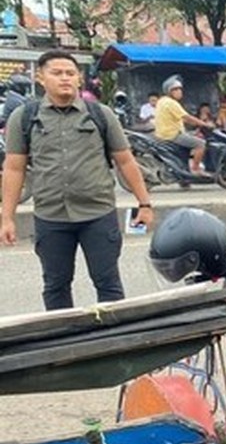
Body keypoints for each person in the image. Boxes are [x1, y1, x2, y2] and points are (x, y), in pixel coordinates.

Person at [0, 50, 154, 309]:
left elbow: (126, 161)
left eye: (70, 73)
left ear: (79, 78)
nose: (65, 78)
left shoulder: (101, 114)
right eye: (57, 73)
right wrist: (7, 218)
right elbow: (14, 169)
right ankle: (64, 335)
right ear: (41, 78)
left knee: (108, 284)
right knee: (55, 285)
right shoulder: (24, 118)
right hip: (51, 217)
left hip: (98, 215)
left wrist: (145, 204)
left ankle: (112, 335)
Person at [154, 75, 215, 175]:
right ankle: (196, 169)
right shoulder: (171, 103)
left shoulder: (162, 101)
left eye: (180, 89)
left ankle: (187, 169)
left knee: (192, 136)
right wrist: (205, 124)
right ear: (169, 91)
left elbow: (182, 118)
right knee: (201, 144)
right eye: (175, 89)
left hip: (164, 134)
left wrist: (197, 124)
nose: (179, 92)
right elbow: (187, 117)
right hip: (173, 135)